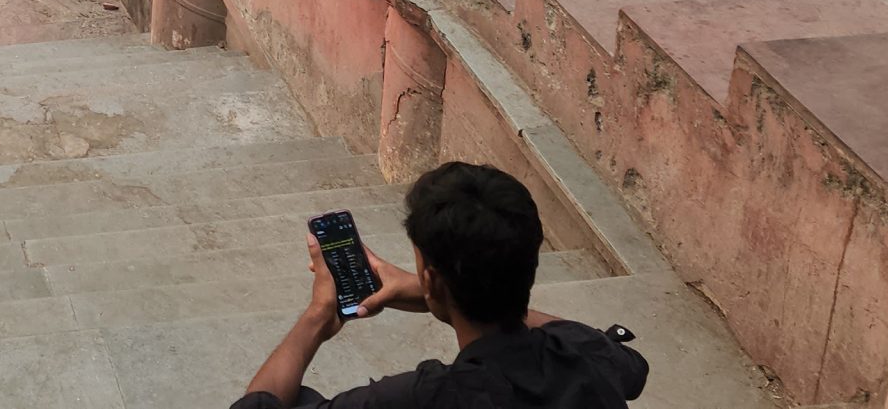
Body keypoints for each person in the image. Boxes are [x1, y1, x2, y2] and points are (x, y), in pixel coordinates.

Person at [233, 162, 649, 409]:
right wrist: (434, 292)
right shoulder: (585, 354)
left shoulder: (428, 396)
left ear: (431, 279)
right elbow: (631, 369)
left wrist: (317, 317)